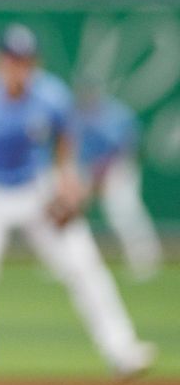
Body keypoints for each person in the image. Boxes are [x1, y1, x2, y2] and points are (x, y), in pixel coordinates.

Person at [0, 23, 155, 385]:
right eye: (12, 59)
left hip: (37, 191)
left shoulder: (50, 94)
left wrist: (67, 176)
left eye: (26, 60)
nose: (19, 67)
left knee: (84, 265)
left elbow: (66, 134)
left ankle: (122, 351)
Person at [72, 79, 163, 281]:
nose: (88, 97)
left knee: (124, 214)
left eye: (91, 93)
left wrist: (102, 175)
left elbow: (124, 147)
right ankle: (68, 261)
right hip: (88, 168)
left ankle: (144, 259)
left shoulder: (115, 114)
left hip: (117, 168)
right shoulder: (77, 115)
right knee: (70, 210)